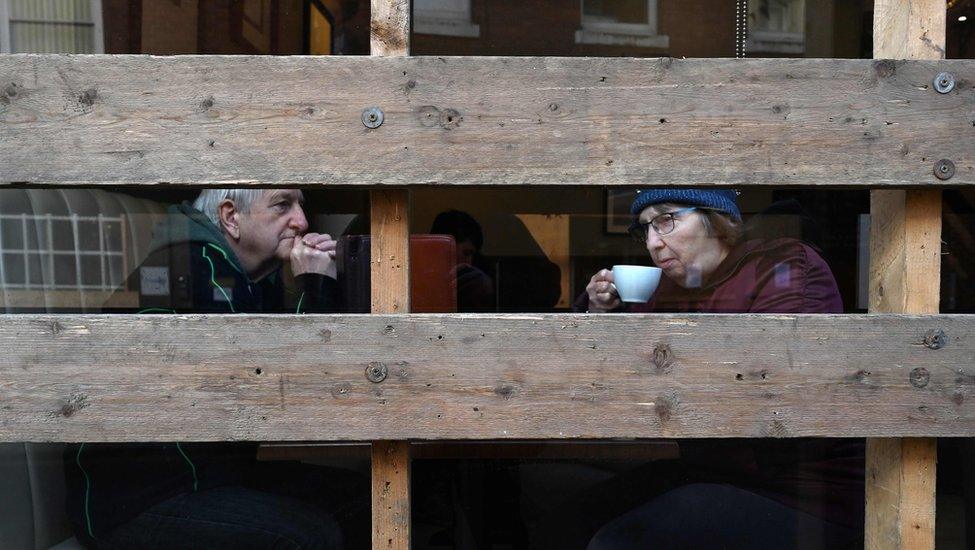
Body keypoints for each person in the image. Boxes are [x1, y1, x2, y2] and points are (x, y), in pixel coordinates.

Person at [546, 189, 863, 549]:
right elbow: (617, 366)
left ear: (715, 219)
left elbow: (775, 388)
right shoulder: (666, 287)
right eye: (645, 229)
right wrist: (599, 313)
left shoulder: (782, 267)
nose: (653, 243)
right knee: (567, 524)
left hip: (802, 492)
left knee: (619, 543)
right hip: (712, 471)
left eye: (666, 220)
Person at [64, 189, 368, 549]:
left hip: (206, 477)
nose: (301, 221)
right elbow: (282, 394)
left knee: (362, 500)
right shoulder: (196, 270)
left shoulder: (242, 276)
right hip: (140, 502)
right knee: (307, 535)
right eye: (283, 205)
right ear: (230, 217)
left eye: (302, 206)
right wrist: (314, 284)